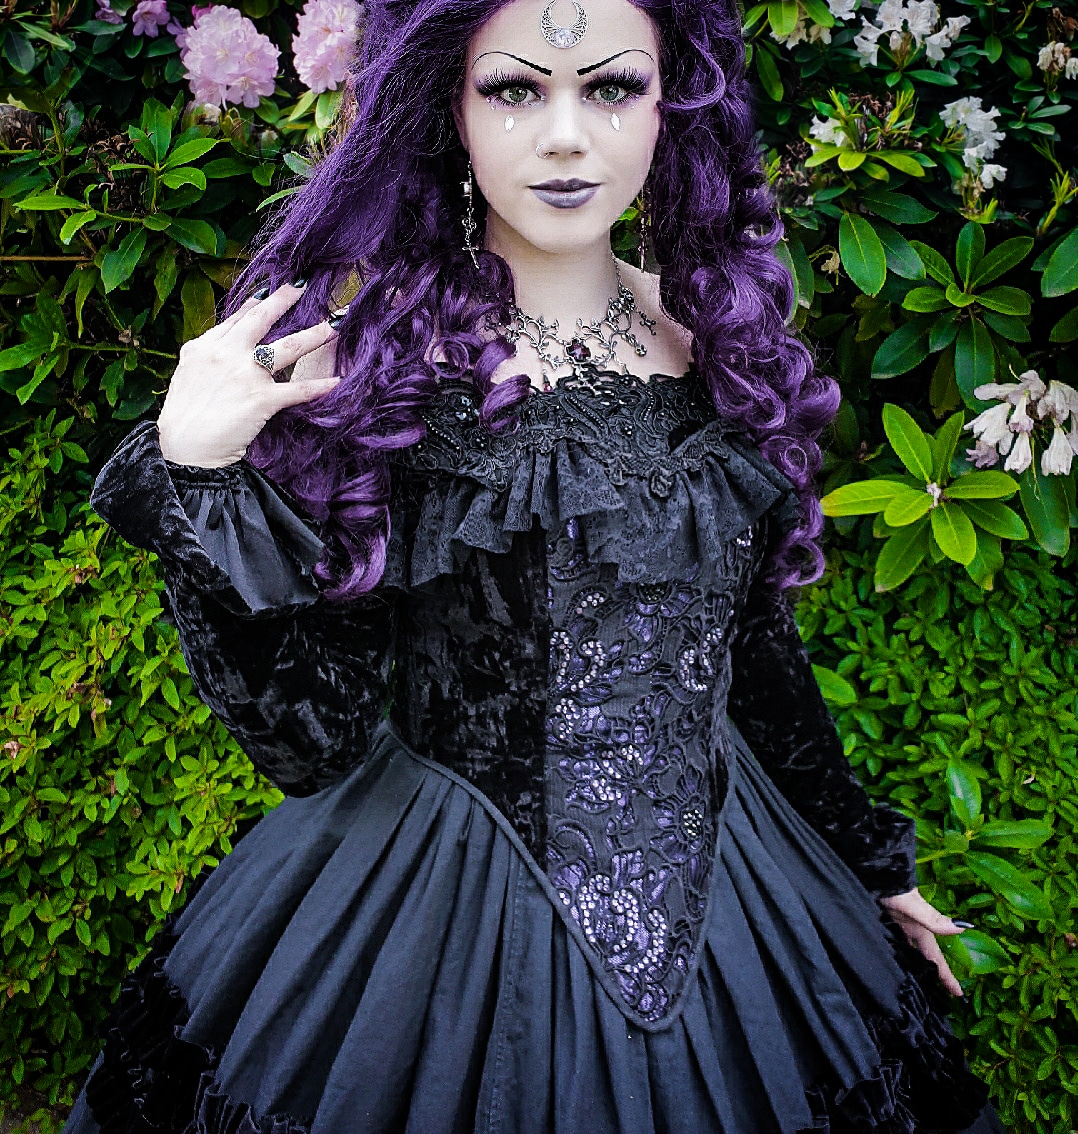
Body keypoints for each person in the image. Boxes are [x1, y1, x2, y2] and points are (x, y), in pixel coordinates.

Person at [65, 0, 1006, 1130]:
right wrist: (198, 474)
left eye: (611, 87)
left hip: (741, 890)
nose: (566, 137)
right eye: (514, 89)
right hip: (436, 918)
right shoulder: (379, 377)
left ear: (671, 105)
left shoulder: (721, 346)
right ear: (449, 111)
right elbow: (310, 740)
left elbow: (751, 651)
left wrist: (865, 854)